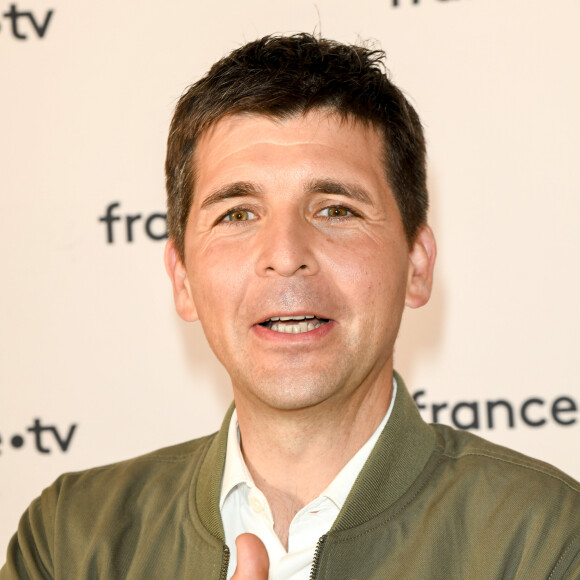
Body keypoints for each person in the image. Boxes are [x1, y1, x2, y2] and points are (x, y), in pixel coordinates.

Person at [2, 33, 579, 580]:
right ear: (182, 277)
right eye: (237, 214)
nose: (284, 255)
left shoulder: (547, 539)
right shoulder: (69, 539)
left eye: (336, 210)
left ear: (417, 266)